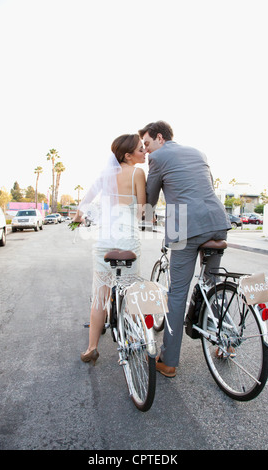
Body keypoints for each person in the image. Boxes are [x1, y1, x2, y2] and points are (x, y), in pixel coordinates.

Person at [139, 121, 231, 377]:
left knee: (177, 292)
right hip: (217, 220)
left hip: (183, 225)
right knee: (213, 284)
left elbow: (152, 196)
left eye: (146, 143)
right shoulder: (198, 152)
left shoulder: (158, 157)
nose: (145, 150)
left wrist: (145, 221)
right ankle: (226, 341)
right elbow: (206, 186)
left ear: (160, 138)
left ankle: (168, 361)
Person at [72, 134, 146, 365]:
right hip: (128, 241)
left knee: (100, 296)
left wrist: (76, 220)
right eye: (140, 149)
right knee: (132, 291)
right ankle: (133, 337)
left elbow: (84, 204)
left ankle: (92, 347)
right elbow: (141, 209)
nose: (144, 151)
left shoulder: (104, 175)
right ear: (127, 155)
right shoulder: (137, 173)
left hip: (105, 241)